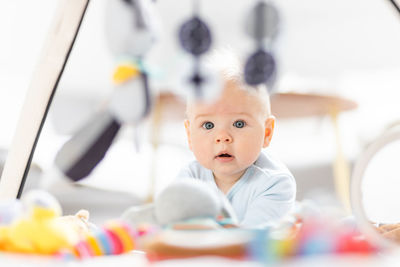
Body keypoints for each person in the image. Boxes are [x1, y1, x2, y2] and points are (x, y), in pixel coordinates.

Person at [176, 50, 296, 228]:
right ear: (189, 136)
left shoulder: (275, 184)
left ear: (267, 133)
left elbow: (250, 239)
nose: (222, 137)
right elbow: (174, 223)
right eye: (208, 125)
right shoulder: (190, 177)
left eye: (239, 124)